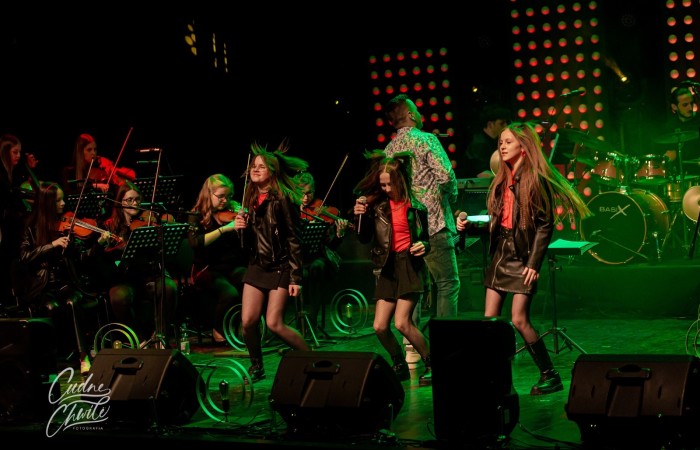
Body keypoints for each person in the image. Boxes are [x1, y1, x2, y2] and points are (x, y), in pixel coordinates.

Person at [457, 122, 591, 395]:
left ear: (524, 146)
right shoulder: (501, 181)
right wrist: (469, 225)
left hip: (522, 257)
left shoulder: (534, 180)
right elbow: (498, 222)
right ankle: (496, 375)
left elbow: (544, 225)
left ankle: (550, 375)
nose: (502, 146)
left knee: (519, 319)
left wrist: (533, 263)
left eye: (508, 142)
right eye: (501, 142)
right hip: (501, 255)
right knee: (490, 321)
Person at [15, 181, 115, 375]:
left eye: (63, 199)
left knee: (72, 301)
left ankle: (83, 356)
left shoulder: (67, 226)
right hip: (42, 286)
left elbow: (82, 258)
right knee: (51, 306)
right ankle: (51, 359)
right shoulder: (30, 227)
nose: (63, 204)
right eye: (58, 201)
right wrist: (52, 245)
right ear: (46, 203)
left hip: (64, 283)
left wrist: (99, 244)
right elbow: (24, 257)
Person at [353, 150, 433, 386]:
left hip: (409, 265)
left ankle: (432, 362)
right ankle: (399, 363)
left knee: (402, 323)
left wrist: (423, 245)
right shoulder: (377, 207)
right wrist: (360, 216)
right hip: (388, 266)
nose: (386, 189)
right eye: (382, 185)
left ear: (400, 181)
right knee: (379, 326)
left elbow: (426, 239)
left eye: (389, 184)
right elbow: (363, 238)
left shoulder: (415, 206)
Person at [233, 143, 310, 382]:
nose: (255, 170)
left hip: (281, 265)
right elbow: (249, 241)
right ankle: (257, 365)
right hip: (258, 264)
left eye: (261, 167)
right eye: (253, 166)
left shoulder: (282, 198)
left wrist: (296, 277)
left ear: (273, 171)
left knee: (275, 323)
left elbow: (294, 238)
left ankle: (312, 359)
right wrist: (240, 228)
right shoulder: (249, 196)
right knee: (248, 321)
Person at [384, 94, 460, 319]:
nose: (419, 113)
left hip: (403, 230)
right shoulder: (426, 140)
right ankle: (447, 339)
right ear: (410, 114)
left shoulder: (388, 149)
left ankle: (411, 339)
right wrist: (451, 199)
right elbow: (446, 176)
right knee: (447, 284)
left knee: (413, 289)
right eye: (416, 110)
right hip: (433, 224)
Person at [101, 180, 179, 346]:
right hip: (125, 278)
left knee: (169, 288)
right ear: (120, 202)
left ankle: (160, 335)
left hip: (148, 274)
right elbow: (105, 258)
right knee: (118, 297)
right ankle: (139, 340)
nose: (134, 203)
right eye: (129, 200)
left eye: (137, 199)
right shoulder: (111, 226)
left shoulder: (148, 220)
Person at [186, 173, 247, 345]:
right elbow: (195, 243)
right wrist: (225, 229)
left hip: (230, 266)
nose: (225, 201)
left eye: (228, 196)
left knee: (252, 281)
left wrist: (244, 217)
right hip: (206, 270)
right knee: (229, 293)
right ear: (208, 194)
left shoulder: (231, 211)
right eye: (220, 196)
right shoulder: (196, 215)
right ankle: (218, 329)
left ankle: (245, 325)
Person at [295, 171, 348, 336]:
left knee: (317, 268)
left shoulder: (321, 211)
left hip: (317, 257)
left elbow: (331, 245)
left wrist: (339, 234)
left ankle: (311, 319)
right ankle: (299, 324)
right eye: (301, 193)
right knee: (299, 274)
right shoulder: (289, 209)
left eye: (309, 193)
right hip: (296, 260)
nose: (305, 198)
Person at [0, 133, 32, 305]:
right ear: (5, 153)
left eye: (19, 152)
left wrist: (29, 169)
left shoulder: (11, 172)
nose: (18, 155)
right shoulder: (1, 174)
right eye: (15, 152)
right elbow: (10, 194)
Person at [62, 133, 136, 199]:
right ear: (81, 152)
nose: (93, 153)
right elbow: (69, 194)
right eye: (89, 150)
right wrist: (95, 186)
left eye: (95, 149)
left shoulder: (99, 168)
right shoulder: (69, 172)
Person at [455, 104, 511, 179]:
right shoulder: (479, 144)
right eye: (502, 123)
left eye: (506, 122)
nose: (506, 126)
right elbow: (482, 173)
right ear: (490, 125)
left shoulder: (494, 141)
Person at [656, 86, 700, 178]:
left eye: (691, 103)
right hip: (679, 175)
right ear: (674, 107)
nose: (690, 107)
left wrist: (678, 153)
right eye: (685, 105)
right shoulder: (669, 126)